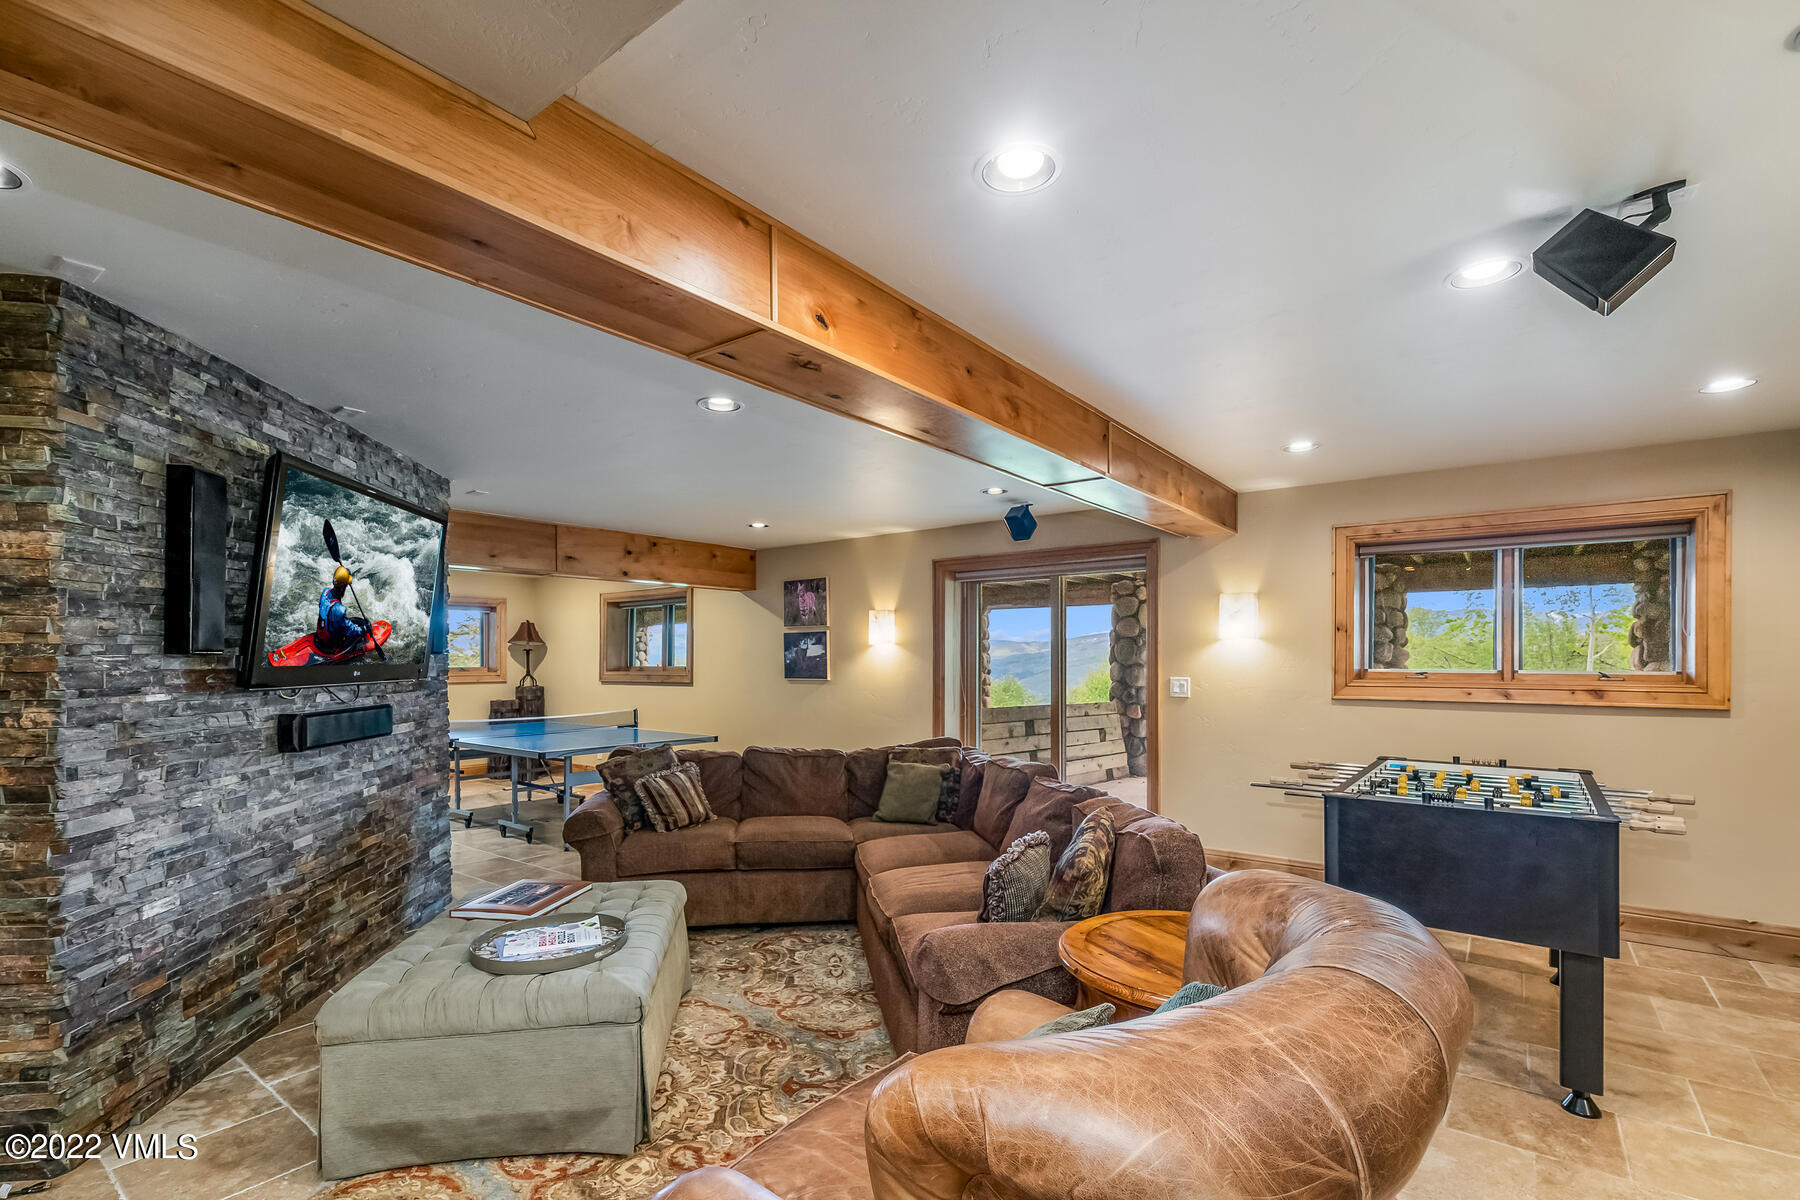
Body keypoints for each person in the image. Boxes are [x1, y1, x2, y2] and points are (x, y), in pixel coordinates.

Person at [316, 565, 370, 656]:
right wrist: (364, 629)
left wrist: (345, 574)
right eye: (345, 586)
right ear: (342, 588)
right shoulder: (339, 610)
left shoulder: (326, 592)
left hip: (320, 635)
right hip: (331, 645)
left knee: (351, 620)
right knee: (358, 634)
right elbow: (350, 630)